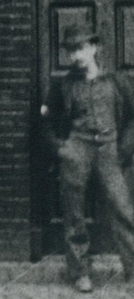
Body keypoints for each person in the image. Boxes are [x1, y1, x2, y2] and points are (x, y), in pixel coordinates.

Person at [42, 24, 134, 293]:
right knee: (74, 213)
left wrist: (123, 148)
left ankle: (133, 269)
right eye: (71, 50)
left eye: (81, 48)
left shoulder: (118, 81)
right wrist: (62, 149)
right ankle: (80, 272)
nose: (76, 56)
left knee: (123, 209)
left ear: (94, 48)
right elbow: (45, 124)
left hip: (109, 148)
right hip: (77, 149)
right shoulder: (62, 85)